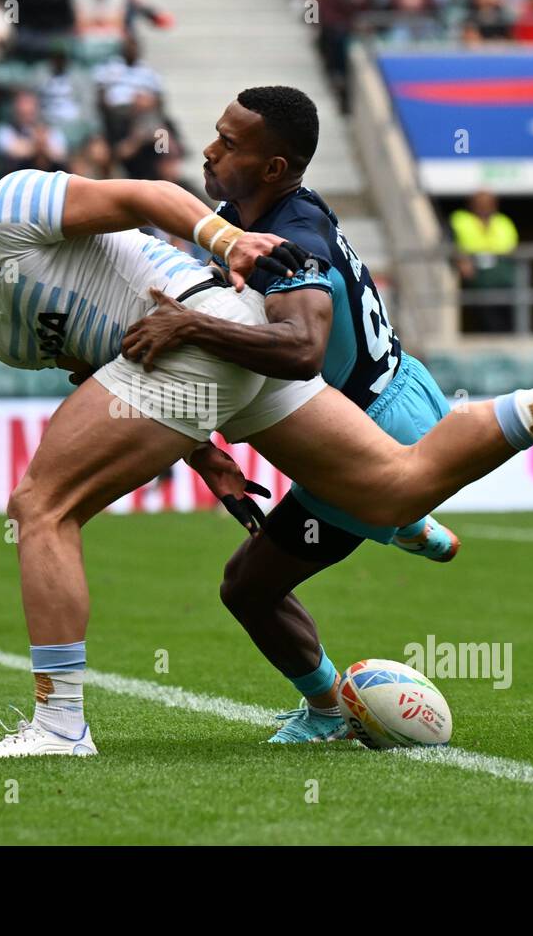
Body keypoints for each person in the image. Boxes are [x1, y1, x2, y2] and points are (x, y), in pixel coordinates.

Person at [0, 158, 533, 758]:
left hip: (204, 331)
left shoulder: (0, 211)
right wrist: (204, 457)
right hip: (217, 363)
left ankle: (59, 725)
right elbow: (101, 361)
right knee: (397, 488)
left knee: (40, 506)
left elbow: (139, 195)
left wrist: (226, 238)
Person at [119, 86, 460, 743]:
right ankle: (406, 513)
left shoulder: (293, 239)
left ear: (275, 167)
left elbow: (300, 351)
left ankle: (330, 710)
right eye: (215, 134)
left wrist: (187, 325)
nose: (210, 151)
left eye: (230, 143)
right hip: (399, 393)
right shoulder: (264, 213)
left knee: (247, 588)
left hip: (361, 437)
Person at [450, 189, 520, 333]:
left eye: (488, 204)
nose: (484, 207)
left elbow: (513, 249)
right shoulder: (459, 220)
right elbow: (449, 243)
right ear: (471, 204)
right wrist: (461, 260)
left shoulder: (504, 222)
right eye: (480, 203)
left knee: (509, 318)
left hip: (502, 274)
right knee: (486, 319)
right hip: (478, 276)